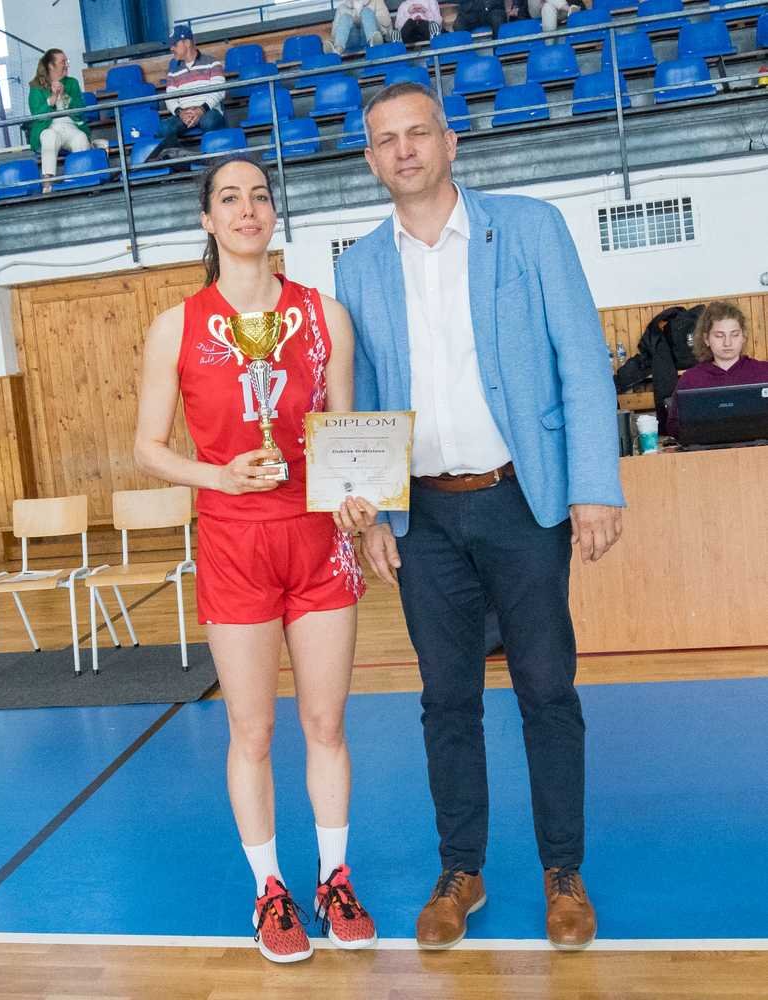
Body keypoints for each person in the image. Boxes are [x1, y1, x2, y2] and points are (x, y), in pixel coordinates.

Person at [334, 82, 624, 951]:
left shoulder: (530, 228)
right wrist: (374, 514)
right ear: (370, 159)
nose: (404, 150)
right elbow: (364, 396)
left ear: (450, 142)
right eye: (386, 139)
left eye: (418, 132)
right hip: (422, 517)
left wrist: (595, 484)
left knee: (547, 689)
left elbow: (581, 359)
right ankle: (462, 869)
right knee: (446, 701)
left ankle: (564, 871)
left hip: (521, 500)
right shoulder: (357, 266)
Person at [134, 154, 377, 964]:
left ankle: (334, 879)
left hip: (317, 541)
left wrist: (355, 498)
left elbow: (346, 436)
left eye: (260, 196)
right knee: (253, 728)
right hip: (234, 542)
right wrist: (220, 475)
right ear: (208, 219)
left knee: (326, 722)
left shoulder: (324, 315)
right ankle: (269, 889)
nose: (248, 209)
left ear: (275, 213)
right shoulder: (176, 326)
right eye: (230, 198)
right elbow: (146, 449)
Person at [666, 301, 768, 440]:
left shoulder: (764, 371)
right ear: (706, 339)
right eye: (719, 336)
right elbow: (673, 426)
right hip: (707, 451)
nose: (727, 343)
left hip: (758, 449)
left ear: (743, 337)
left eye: (734, 335)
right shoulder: (690, 379)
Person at [28, 49, 91, 192]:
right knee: (49, 136)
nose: (67, 65)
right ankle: (47, 183)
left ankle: (78, 181)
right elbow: (36, 115)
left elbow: (80, 111)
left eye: (67, 61)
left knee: (81, 138)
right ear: (51, 65)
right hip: (48, 127)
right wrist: (51, 100)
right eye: (63, 62)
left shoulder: (72, 83)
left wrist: (64, 95)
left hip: (70, 126)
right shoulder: (36, 86)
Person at [160, 24, 226, 146]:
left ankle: (210, 154)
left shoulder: (212, 62)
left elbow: (219, 91)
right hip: (184, 114)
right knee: (164, 128)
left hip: (208, 111)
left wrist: (201, 110)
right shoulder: (173, 71)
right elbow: (170, 98)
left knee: (209, 121)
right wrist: (181, 113)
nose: (171, 48)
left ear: (187, 43)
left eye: (174, 44)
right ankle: (181, 158)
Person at [327, 0, 393, 55]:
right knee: (345, 17)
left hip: (372, 36)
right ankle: (337, 50)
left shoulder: (377, 1)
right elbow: (334, 35)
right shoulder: (342, 8)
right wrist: (353, 20)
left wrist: (365, 17)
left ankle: (373, 43)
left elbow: (386, 24)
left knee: (366, 12)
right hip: (351, 43)